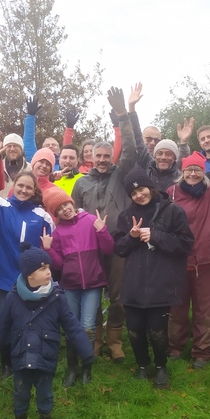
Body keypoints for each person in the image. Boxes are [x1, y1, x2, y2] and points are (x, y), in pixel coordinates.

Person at [0, 242, 94, 419]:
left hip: (46, 355)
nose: (48, 272)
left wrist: (86, 352)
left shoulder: (56, 298)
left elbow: (72, 326)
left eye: (49, 268)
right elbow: (1, 327)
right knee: (21, 393)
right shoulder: (14, 299)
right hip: (20, 357)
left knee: (45, 394)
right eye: (42, 269)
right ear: (29, 275)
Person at [71, 87, 140, 363]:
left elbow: (133, 150)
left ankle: (115, 340)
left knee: (118, 296)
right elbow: (73, 214)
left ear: (111, 156)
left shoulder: (121, 174)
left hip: (118, 244)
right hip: (89, 247)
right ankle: (96, 339)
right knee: (91, 296)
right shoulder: (81, 182)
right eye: (96, 156)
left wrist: (123, 115)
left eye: (105, 156)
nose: (101, 160)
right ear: (90, 158)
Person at [113, 168, 194, 388]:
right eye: (133, 193)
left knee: (158, 331)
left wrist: (156, 236)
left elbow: (186, 244)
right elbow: (119, 248)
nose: (139, 195)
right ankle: (142, 365)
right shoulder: (126, 216)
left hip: (161, 282)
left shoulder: (173, 211)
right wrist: (131, 237)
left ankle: (160, 366)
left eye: (141, 189)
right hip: (134, 282)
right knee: (135, 330)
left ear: (150, 187)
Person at [0, 152, 53, 376]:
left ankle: (30, 359)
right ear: (14, 185)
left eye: (28, 188)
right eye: (20, 186)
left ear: (34, 191)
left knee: (31, 321)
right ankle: (6, 363)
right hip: (5, 276)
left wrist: (48, 250)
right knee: (6, 320)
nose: (23, 190)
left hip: (32, 278)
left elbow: (50, 249)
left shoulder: (42, 215)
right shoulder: (0, 206)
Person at [165, 141, 210, 367]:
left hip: (206, 259)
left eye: (197, 169)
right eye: (189, 170)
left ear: (203, 171)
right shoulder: (172, 192)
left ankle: (202, 352)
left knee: (206, 308)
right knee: (176, 308)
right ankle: (175, 347)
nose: (193, 173)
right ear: (182, 172)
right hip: (178, 259)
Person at [41, 187, 114, 387]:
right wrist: (48, 249)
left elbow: (108, 249)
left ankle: (86, 367)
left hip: (93, 283)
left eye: (66, 204)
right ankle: (72, 367)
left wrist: (102, 230)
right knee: (72, 326)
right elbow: (58, 265)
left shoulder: (90, 220)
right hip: (70, 285)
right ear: (55, 214)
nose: (65, 209)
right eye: (59, 209)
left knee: (88, 326)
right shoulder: (58, 233)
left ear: (72, 203)